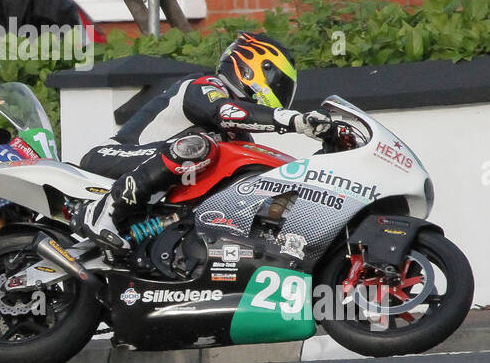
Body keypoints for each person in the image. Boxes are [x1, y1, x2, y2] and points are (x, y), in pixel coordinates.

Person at [78, 32, 331, 253]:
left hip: (159, 197)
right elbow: (224, 111)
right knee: (200, 146)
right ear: (250, 68)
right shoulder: (203, 85)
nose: (282, 93)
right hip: (114, 156)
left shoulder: (238, 137)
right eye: (279, 83)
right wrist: (294, 120)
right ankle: (105, 212)